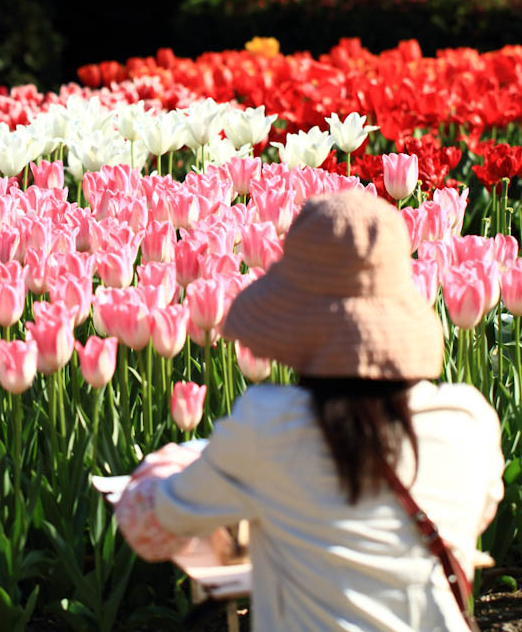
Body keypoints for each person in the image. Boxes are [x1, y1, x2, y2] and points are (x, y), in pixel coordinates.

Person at [115, 191, 504, 631]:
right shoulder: (467, 420)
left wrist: (174, 460)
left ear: (294, 322)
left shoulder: (268, 427)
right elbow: (478, 514)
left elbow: (146, 526)